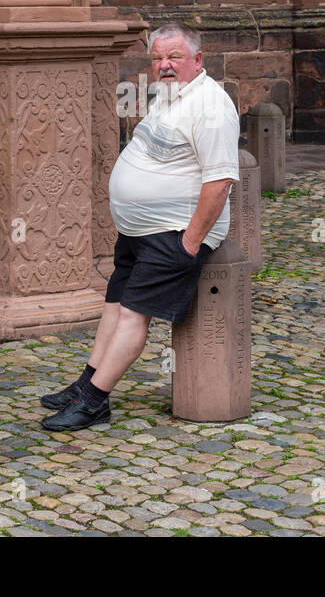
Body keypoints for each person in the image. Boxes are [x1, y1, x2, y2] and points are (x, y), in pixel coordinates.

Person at [40, 22, 240, 430]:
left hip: (174, 232)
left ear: (197, 60)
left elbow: (220, 182)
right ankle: (83, 385)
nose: (165, 65)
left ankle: (95, 401)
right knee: (115, 304)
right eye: (158, 58)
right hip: (139, 232)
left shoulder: (211, 106)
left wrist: (189, 243)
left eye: (174, 57)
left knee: (133, 315)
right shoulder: (169, 97)